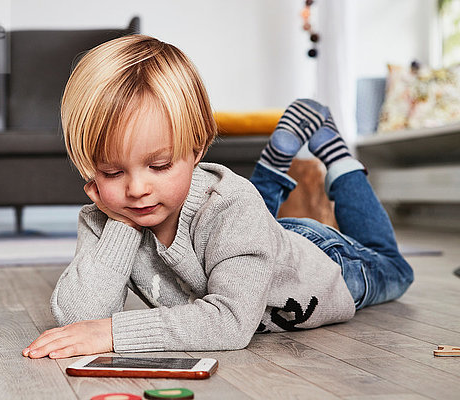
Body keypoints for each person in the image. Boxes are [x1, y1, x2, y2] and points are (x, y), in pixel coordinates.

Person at [22, 35, 413, 360]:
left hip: (329, 265)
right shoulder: (106, 216)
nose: (136, 189)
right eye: (112, 172)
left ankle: (340, 159)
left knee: (395, 267)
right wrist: (121, 225)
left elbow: (230, 321)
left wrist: (114, 333)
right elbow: (80, 317)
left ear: (197, 148)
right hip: (252, 240)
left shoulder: (231, 204)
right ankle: (274, 168)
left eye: (159, 166)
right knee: (239, 220)